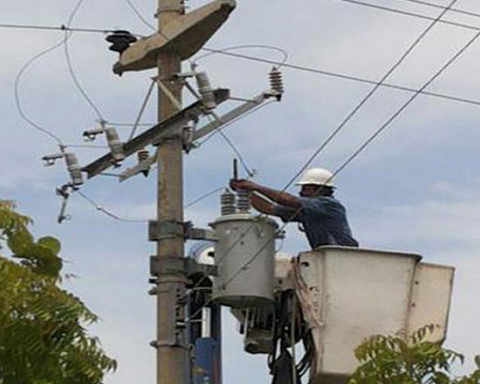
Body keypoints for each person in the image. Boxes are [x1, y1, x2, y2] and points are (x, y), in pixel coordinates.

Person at [230, 167, 358, 249]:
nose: (301, 192)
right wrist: (246, 193)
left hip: (343, 255)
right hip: (326, 256)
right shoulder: (310, 211)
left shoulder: (328, 205)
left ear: (319, 188)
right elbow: (268, 208)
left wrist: (255, 187)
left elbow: (289, 200)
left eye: (305, 188)